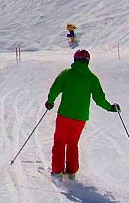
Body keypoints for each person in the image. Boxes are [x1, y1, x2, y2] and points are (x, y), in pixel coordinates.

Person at [45, 49, 120, 178]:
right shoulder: (92, 78)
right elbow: (99, 99)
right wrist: (110, 108)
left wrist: (50, 101)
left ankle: (57, 172)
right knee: (72, 143)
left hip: (64, 114)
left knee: (60, 141)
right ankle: (71, 172)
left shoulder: (66, 74)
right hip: (80, 117)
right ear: (87, 61)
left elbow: (55, 89)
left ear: (75, 59)